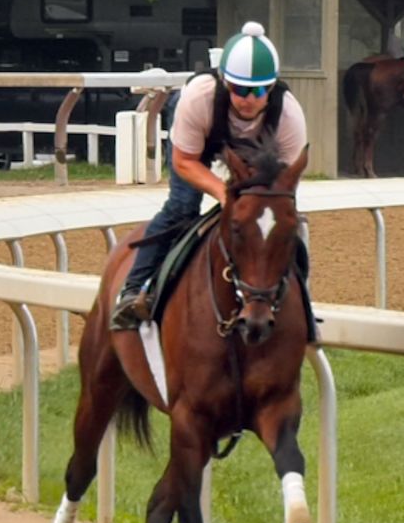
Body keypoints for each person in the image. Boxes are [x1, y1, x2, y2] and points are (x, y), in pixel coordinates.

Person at [110, 21, 309, 331]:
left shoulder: (289, 116)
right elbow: (184, 160)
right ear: (224, 82)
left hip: (261, 156)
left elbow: (283, 185)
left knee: (280, 226)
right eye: (239, 89)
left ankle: (303, 310)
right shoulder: (198, 98)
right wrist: (223, 193)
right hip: (199, 145)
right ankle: (133, 290)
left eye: (258, 90)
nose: (248, 99)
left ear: (271, 87)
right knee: (182, 209)